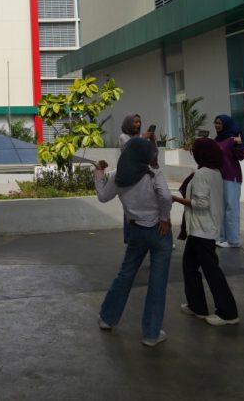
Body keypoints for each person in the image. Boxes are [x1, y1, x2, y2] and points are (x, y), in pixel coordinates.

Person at [94, 137, 174, 347]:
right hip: (159, 231)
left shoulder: (118, 176)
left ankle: (107, 318)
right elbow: (166, 197)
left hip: (136, 231)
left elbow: (102, 197)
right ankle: (151, 334)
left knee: (126, 273)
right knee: (158, 281)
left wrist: (99, 174)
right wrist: (164, 217)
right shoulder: (153, 173)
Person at [172, 138, 240, 326]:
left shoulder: (202, 174)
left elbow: (201, 203)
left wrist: (175, 199)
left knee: (211, 272)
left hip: (202, 230)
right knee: (190, 267)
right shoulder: (216, 172)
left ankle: (228, 313)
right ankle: (197, 306)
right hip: (203, 229)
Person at [213, 114, 244, 248]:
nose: (217, 125)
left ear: (225, 124)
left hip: (231, 177)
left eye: (219, 123)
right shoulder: (216, 140)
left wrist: (239, 144)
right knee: (221, 209)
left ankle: (233, 240)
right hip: (219, 177)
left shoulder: (233, 139)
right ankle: (222, 237)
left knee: (231, 208)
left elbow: (241, 156)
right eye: (215, 123)